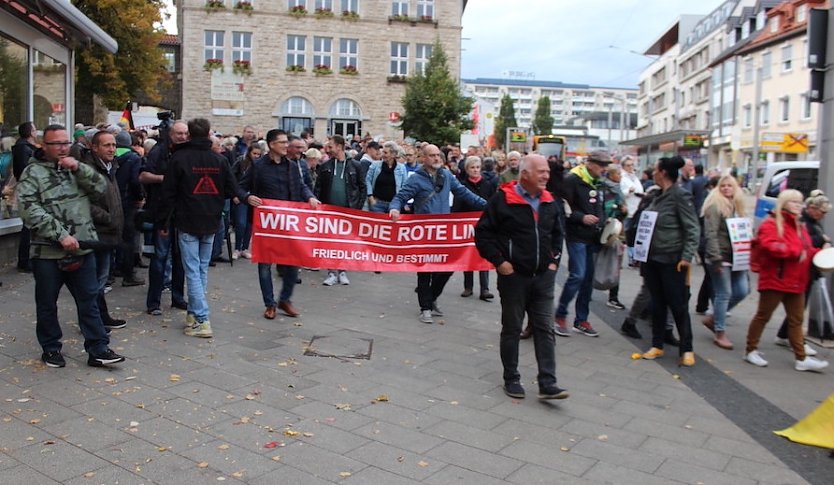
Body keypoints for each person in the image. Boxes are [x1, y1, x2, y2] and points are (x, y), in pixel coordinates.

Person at [16, 124, 125, 368]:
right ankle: (51, 348)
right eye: (57, 144)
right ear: (44, 146)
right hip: (48, 252)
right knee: (47, 304)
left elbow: (101, 188)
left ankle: (98, 348)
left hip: (82, 248)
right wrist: (60, 234)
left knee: (89, 300)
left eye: (66, 142)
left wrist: (78, 169)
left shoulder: (75, 167)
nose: (63, 147)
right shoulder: (33, 173)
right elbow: (29, 210)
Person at [475, 154, 567, 400]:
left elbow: (558, 234)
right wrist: (500, 262)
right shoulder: (502, 199)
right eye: (541, 171)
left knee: (545, 328)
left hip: (543, 278)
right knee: (513, 328)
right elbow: (483, 234)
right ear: (524, 174)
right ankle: (511, 378)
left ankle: (548, 382)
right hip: (513, 276)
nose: (546, 176)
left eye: (547, 171)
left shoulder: (550, 201)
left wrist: (553, 261)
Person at [158, 118, 247, 338]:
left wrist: (163, 222)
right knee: (201, 269)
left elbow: (168, 194)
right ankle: (193, 313)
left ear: (189, 134)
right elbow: (231, 188)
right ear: (208, 134)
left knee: (193, 270)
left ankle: (201, 318)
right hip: (211, 220)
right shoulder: (219, 160)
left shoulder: (178, 158)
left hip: (187, 220)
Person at [389, 144, 486, 324]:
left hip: (443, 232)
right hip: (424, 233)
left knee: (447, 268)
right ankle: (425, 307)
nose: (436, 159)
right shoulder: (415, 179)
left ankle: (431, 298)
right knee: (425, 271)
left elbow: (464, 193)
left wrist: (487, 206)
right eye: (432, 156)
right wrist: (395, 209)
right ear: (423, 158)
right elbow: (400, 197)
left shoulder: (446, 175)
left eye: (438, 156)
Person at [744, 190, 829, 372]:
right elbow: (770, 246)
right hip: (776, 279)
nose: (799, 205)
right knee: (763, 316)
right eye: (794, 202)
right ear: (784, 203)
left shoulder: (799, 225)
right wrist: (797, 252)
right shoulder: (771, 224)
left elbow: (806, 249)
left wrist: (822, 255)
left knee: (796, 320)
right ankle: (751, 350)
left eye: (800, 202)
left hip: (796, 280)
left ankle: (801, 358)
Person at [240, 129, 320, 319]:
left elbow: (301, 186)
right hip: (266, 226)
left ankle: (285, 299)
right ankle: (270, 304)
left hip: (289, 223)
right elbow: (240, 186)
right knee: (265, 265)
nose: (287, 145)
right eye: (283, 142)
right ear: (271, 145)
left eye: (287, 142)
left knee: (293, 263)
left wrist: (310, 197)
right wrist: (247, 197)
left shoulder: (292, 166)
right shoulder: (258, 167)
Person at [640, 157, 699, 367]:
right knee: (657, 304)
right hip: (652, 258)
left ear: (663, 172)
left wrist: (686, 256)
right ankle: (657, 344)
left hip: (673, 259)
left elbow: (692, 228)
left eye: (655, 170)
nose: (653, 173)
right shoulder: (656, 195)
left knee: (678, 304)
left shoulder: (680, 196)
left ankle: (687, 348)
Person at [554, 150, 611, 338]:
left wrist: (605, 223)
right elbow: (562, 207)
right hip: (576, 235)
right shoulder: (573, 179)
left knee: (588, 279)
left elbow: (601, 206)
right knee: (577, 275)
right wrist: (581, 217)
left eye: (606, 166)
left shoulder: (599, 183)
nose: (604, 169)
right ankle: (560, 315)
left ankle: (581, 319)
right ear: (590, 163)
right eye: (601, 165)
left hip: (594, 237)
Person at [140, 121, 189, 316]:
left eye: (186, 133)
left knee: (180, 259)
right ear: (170, 134)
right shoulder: (159, 151)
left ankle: (178, 298)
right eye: (179, 133)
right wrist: (165, 179)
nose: (183, 137)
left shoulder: (188, 153)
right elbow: (143, 176)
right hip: (162, 213)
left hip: (183, 214)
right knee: (159, 258)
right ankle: (154, 302)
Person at [81, 131, 129, 331]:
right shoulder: (88, 169)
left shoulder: (111, 166)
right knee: (95, 281)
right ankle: (93, 321)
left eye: (113, 145)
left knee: (101, 278)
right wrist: (108, 218)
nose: (111, 149)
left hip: (109, 232)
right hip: (96, 232)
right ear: (94, 147)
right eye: (106, 145)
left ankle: (101, 316)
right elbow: (85, 203)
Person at [774, 190, 830, 352]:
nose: (824, 215)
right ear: (812, 208)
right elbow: (800, 242)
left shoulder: (811, 221)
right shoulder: (802, 222)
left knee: (796, 310)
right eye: (822, 211)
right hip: (799, 270)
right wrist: (821, 241)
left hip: (806, 270)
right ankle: (795, 342)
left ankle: (787, 336)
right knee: (791, 310)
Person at [700, 175, 750, 350]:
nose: (727, 188)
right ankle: (720, 331)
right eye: (723, 186)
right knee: (724, 293)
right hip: (721, 256)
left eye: (730, 185)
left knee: (743, 290)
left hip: (738, 256)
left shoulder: (738, 207)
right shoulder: (715, 206)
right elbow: (710, 234)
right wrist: (716, 258)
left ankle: (714, 318)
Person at [316, 135, 366, 286]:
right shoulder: (325, 166)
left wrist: (357, 208)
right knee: (330, 242)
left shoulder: (355, 166)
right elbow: (318, 188)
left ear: (339, 146)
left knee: (345, 242)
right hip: (329, 210)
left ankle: (343, 270)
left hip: (348, 210)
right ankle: (331, 272)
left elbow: (362, 188)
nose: (328, 149)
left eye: (330, 146)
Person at [454, 156, 496, 301]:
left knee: (484, 254)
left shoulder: (488, 184)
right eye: (472, 167)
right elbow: (458, 205)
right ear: (467, 170)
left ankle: (485, 288)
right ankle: (468, 286)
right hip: (467, 225)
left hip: (483, 225)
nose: (475, 170)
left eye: (477, 167)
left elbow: (492, 203)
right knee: (468, 254)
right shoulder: (462, 185)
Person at [12, 121, 37, 272]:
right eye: (34, 129)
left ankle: (26, 259)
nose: (36, 132)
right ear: (29, 132)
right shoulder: (23, 149)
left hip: (29, 189)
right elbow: (24, 170)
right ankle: (24, 260)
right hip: (28, 190)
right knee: (28, 226)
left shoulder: (26, 148)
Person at [231, 143, 262, 260]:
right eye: (254, 153)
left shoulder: (260, 166)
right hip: (242, 197)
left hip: (254, 197)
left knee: (250, 224)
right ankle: (237, 248)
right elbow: (232, 179)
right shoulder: (240, 162)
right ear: (249, 152)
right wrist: (234, 194)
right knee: (241, 223)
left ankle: (245, 248)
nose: (256, 156)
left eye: (259, 154)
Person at [366, 141, 407, 214]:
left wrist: (401, 202)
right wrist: (370, 197)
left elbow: (404, 186)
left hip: (394, 205)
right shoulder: (375, 165)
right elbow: (367, 180)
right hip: (377, 203)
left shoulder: (401, 168)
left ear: (393, 154)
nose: (382, 155)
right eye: (382, 152)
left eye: (385, 153)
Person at [619, 156, 643, 266]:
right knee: (629, 234)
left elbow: (639, 190)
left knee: (637, 233)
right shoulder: (622, 178)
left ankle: (637, 257)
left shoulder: (635, 177)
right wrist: (628, 191)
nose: (630, 167)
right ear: (623, 166)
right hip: (629, 209)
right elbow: (620, 193)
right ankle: (631, 257)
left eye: (632, 165)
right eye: (628, 165)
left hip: (638, 208)